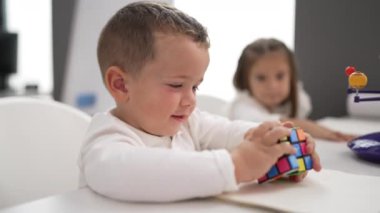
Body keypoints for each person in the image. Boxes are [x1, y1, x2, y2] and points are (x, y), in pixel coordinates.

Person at [78, 2, 321, 203]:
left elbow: (226, 131)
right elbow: (138, 172)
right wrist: (236, 165)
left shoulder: (188, 124)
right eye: (176, 85)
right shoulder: (105, 141)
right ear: (121, 84)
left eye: (195, 86)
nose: (191, 100)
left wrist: (275, 142)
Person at [230, 38, 356, 142]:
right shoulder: (241, 107)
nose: (273, 86)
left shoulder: (298, 100)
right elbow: (271, 125)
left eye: (280, 76)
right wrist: (327, 133)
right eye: (261, 78)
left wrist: (332, 133)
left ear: (291, 76)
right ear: (245, 80)